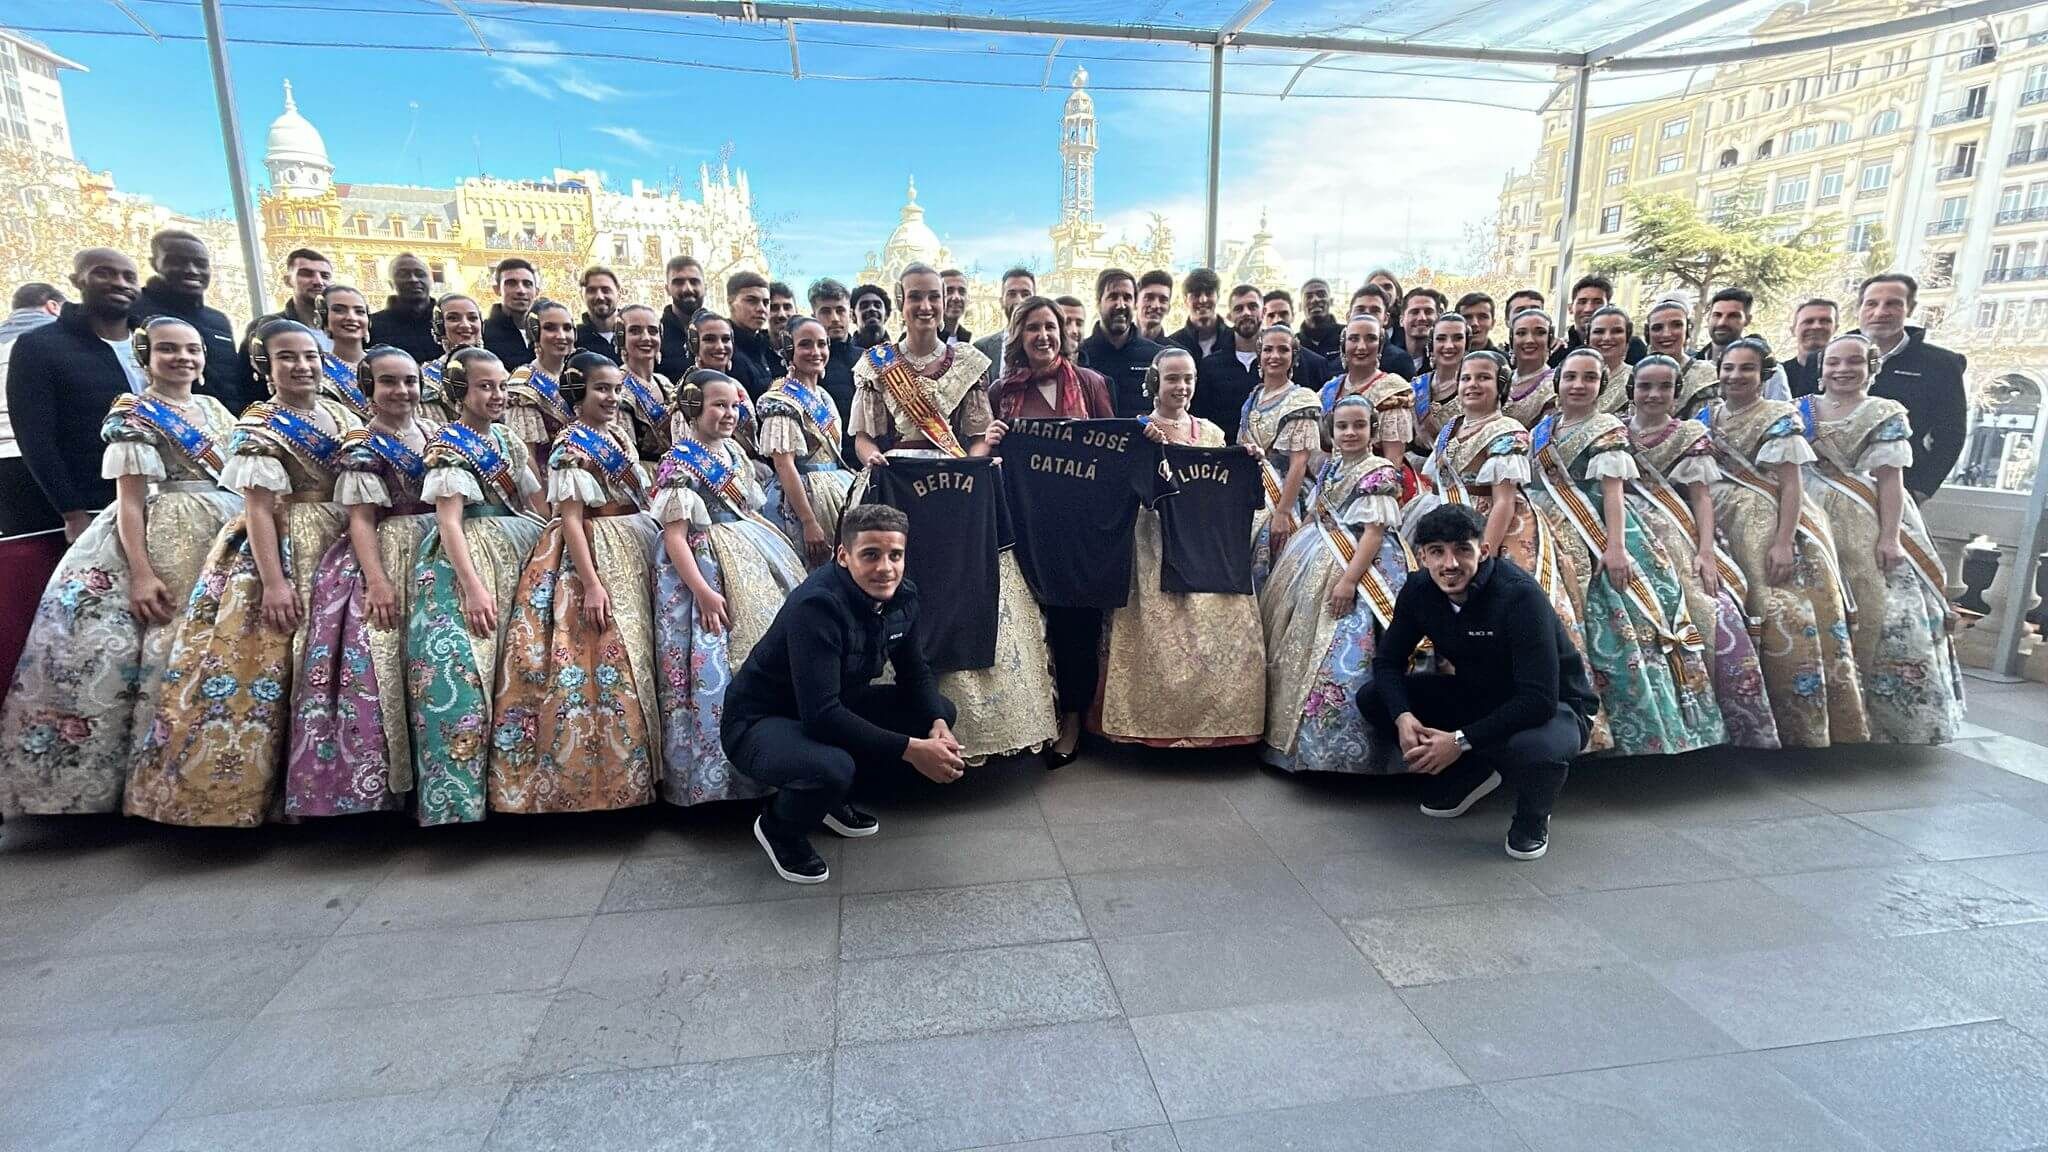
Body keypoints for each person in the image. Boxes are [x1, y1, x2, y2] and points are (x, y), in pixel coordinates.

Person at [125, 319, 363, 827]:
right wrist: (274, 582)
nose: (301, 366)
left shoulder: (340, 415)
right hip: (290, 540)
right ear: (264, 366)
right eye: (287, 358)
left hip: (344, 536)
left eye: (310, 357)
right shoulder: (260, 426)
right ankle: (274, 789)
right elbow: (257, 508)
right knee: (283, 657)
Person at [0, 317, 241, 816]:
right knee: (172, 644)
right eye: (168, 349)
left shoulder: (213, 407)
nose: (183, 358)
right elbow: (130, 502)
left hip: (223, 525)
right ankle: (161, 783)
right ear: (144, 356)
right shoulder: (134, 415)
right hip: (167, 530)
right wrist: (142, 571)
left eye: (192, 349)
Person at [849, 263, 1057, 764]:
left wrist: (979, 459)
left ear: (945, 302)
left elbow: (977, 437)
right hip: (896, 488)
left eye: (934, 298)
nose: (925, 307)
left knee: (972, 582)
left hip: (958, 495)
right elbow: (861, 436)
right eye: (915, 297)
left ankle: (983, 731)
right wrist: (869, 458)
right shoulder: (875, 366)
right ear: (901, 301)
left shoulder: (967, 362)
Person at [722, 503, 963, 884]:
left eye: (895, 555)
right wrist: (911, 750)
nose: (886, 568)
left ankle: (828, 801)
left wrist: (935, 724)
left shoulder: (903, 596)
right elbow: (821, 716)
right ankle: (779, 827)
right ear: (843, 556)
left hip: (830, 703)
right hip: (760, 720)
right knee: (833, 767)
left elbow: (915, 671)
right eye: (871, 555)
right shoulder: (817, 605)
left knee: (938, 712)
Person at [1364, 503, 1600, 861]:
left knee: (1539, 747)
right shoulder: (1418, 590)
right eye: (1437, 552)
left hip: (1555, 708)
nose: (1450, 564)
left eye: (1462, 549)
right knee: (1374, 698)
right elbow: (1387, 662)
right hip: (1479, 695)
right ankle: (1475, 769)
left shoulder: (1520, 595)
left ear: (1484, 550)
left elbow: (1539, 699)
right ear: (1422, 556)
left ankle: (1532, 817)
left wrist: (1459, 740)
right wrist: (1403, 717)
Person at [1528, 349, 1723, 756]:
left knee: (1615, 622)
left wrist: (1615, 548)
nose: (1578, 385)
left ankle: (1634, 732)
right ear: (1557, 383)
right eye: (1571, 377)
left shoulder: (1607, 430)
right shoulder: (1542, 430)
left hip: (1597, 528)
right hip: (1549, 528)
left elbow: (1614, 492)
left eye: (1589, 378)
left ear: (1604, 385)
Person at [1411, 349, 1607, 752]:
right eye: (1466, 378)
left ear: (1500, 385)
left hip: (1497, 532)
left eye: (1483, 378)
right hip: (1449, 524)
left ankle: (1524, 719)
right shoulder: (1450, 429)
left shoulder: (1509, 432)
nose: (1472, 385)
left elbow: (1503, 499)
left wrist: (1484, 551)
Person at [491, 352, 660, 814]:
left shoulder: (619, 435)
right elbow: (570, 518)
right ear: (577, 393)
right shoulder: (570, 446)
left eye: (615, 388)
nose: (610, 397)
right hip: (592, 552)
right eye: (600, 389)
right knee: (603, 660)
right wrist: (591, 584)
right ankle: (600, 782)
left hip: (632, 541)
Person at [287, 346, 439, 816]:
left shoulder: (433, 432)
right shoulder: (361, 445)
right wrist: (376, 582)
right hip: (389, 550)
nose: (402, 391)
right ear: (368, 387)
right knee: (385, 663)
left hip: (434, 547)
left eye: (410, 380)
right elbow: (360, 520)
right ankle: (385, 785)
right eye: (390, 381)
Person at [1798, 333, 1964, 743]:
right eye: (1833, 362)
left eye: (1853, 361)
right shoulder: (1798, 409)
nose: (1842, 369)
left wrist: (1890, 537)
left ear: (1872, 368)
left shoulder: (1884, 413)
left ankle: (1873, 719)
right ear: (1821, 369)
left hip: (1863, 516)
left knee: (1877, 604)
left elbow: (1891, 481)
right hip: (1806, 511)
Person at [653, 370, 808, 807]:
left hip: (750, 546)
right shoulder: (680, 461)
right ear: (694, 408)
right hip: (705, 568)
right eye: (717, 405)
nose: (727, 413)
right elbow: (674, 536)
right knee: (712, 660)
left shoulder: (736, 452)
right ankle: (719, 777)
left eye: (733, 405)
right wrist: (702, 591)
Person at [1704, 336, 1867, 748]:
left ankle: (1795, 725)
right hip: (1719, 517)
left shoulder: (1780, 416)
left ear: (1764, 374)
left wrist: (1782, 541)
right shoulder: (1706, 417)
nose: (1735, 376)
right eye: (1728, 368)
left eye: (1746, 369)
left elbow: (1791, 486)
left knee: (1777, 614)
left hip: (1766, 521)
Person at [1098, 346, 1265, 748]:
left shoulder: (1210, 432)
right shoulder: (1137, 429)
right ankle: (1153, 727)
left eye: (1188, 378)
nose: (1182, 386)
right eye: (1173, 378)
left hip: (1205, 541)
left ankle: (1216, 727)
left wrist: (1248, 459)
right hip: (1152, 539)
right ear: (1155, 381)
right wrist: (1146, 450)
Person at [406, 347, 545, 825]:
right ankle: (460, 801)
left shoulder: (509, 441)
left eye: (501, 386)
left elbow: (533, 500)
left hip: (517, 545)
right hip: (468, 558)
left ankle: (514, 788)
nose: (497, 395)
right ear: (459, 392)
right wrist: (472, 587)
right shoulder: (449, 445)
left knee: (522, 672)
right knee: (466, 674)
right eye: (485, 386)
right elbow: (448, 522)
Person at [1622, 355, 1779, 749]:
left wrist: (1705, 551)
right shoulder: (1617, 432)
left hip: (1672, 530)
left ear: (1677, 392)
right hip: (1623, 530)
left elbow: (1702, 498)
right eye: (1645, 386)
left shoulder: (1689, 434)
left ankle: (1708, 716)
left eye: (1664, 387)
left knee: (1704, 607)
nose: (1654, 394)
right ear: (1632, 391)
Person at [988, 294, 1116, 762]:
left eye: (1051, 327)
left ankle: (1072, 722)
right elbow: (990, 457)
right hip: (1026, 521)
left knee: (1074, 624)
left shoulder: (1092, 383)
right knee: (1029, 623)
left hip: (1079, 526)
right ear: (1019, 337)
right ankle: (1033, 716)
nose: (1043, 336)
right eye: (1033, 328)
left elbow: (1113, 445)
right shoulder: (1003, 391)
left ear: (1064, 333)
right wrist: (995, 439)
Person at [1259, 395, 1407, 772]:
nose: (1350, 432)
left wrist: (1348, 581)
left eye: (1359, 425)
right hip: (1315, 554)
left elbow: (1374, 534)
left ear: (1373, 430)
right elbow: (1315, 514)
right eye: (1342, 426)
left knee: (1345, 646)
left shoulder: (1381, 471)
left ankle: (1346, 754)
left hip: (1362, 566)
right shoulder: (1332, 467)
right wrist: (1293, 553)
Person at [8, 248, 144, 542]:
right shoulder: (38, 346)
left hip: (163, 500)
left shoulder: (155, 342)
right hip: (97, 505)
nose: (120, 282)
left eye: (129, 277)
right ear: (77, 280)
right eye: (104, 273)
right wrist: (72, 512)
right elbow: (36, 439)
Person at [1855, 273, 1967, 502]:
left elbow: (1950, 434)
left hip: (1899, 490)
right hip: (1829, 485)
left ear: (1910, 308)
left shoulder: (1941, 364)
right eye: (1872, 303)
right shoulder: (1828, 357)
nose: (1880, 312)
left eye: (1893, 303)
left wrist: (1921, 489)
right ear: (1860, 308)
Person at [758, 316, 855, 565]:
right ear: (789, 349)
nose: (816, 352)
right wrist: (809, 521)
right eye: (806, 345)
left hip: (836, 488)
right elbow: (783, 464)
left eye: (822, 344)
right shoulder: (781, 400)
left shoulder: (822, 395)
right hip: (801, 499)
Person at [1241, 325, 1323, 587]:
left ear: (1294, 356)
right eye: (1268, 349)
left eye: (1283, 350)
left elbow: (1299, 462)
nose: (1274, 356)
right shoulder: (1254, 396)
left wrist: (1282, 513)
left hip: (1283, 495)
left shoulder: (1300, 400)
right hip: (1250, 493)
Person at [130, 230, 248, 413]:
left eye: (200, 264)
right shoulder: (133, 311)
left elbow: (232, 383)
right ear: (155, 264)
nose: (192, 270)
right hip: (163, 423)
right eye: (177, 262)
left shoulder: (218, 320)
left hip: (222, 427)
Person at [0, 282, 64, 536]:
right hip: (44, 459)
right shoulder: (54, 340)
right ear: (52, 306)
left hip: (3, 462)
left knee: (21, 547)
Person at [1321, 314, 1413, 478]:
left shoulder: (1392, 390)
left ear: (1380, 346)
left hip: (1375, 484)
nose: (1361, 347)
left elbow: (1394, 459)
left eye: (1370, 339)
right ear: (1344, 345)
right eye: (1354, 339)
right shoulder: (1330, 389)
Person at [1078, 267, 1166, 417]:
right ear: (1098, 302)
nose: (1121, 305)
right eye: (1113, 297)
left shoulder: (1157, 357)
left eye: (1127, 297)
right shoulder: (1081, 356)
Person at [241, 249, 335, 380]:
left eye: (325, 276)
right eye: (306, 274)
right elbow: (244, 380)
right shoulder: (265, 327)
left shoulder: (348, 328)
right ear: (287, 280)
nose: (318, 281)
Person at [505, 298, 578, 463]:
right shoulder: (523, 384)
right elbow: (525, 454)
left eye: (567, 328)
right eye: (550, 328)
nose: (561, 336)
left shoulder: (576, 373)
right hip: (547, 478)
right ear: (534, 332)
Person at [1194, 283, 1264, 438]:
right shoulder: (1210, 366)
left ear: (1263, 311)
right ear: (1229, 316)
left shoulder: (1277, 362)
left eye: (1252, 307)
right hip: (1224, 455)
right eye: (1239, 309)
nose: (1246, 313)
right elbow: (1201, 419)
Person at [1699, 286, 1789, 401]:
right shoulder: (1693, 366)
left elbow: (1783, 413)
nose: (1722, 322)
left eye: (1733, 316)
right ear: (1708, 317)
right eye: (1717, 315)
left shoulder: (1769, 370)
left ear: (1747, 320)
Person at [616, 303, 677, 463]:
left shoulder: (665, 383)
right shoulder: (616, 386)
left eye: (652, 331)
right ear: (621, 336)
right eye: (635, 331)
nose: (646, 338)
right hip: (639, 476)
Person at [1549, 274, 1649, 367]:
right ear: (1570, 308)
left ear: (1609, 306)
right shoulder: (1558, 349)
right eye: (1582, 302)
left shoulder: (1634, 347)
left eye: (1597, 302)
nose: (1589, 309)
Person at [1644, 299, 1720, 418]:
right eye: (1657, 328)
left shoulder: (1706, 375)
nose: (1666, 334)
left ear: (1688, 329)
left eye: (1676, 325)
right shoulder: (1640, 372)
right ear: (1648, 333)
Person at [810, 278, 862, 442]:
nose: (834, 318)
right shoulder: (807, 363)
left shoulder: (867, 359)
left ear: (851, 315)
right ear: (813, 317)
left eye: (840, 310)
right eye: (825, 311)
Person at [419, 293, 484, 422]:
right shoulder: (428, 381)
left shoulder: (498, 370)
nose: (465, 325)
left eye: (472, 318)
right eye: (453, 318)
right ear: (439, 326)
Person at [316, 285, 376, 422]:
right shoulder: (318, 369)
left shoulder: (389, 361)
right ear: (323, 317)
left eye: (359, 311)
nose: (351, 317)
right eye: (339, 310)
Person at [368, 253, 440, 364]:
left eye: (420, 274)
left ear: (431, 281)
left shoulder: (447, 323)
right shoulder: (372, 325)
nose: (413, 279)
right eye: (404, 275)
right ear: (391, 283)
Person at [1412, 312, 1468, 455]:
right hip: (1417, 470)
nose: (1449, 345)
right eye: (1441, 338)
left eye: (1458, 338)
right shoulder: (1415, 386)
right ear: (1431, 345)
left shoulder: (1475, 389)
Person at [973, 266, 1036, 387]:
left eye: (1026, 294)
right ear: (1002, 301)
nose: (1019, 301)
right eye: (1012, 294)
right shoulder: (981, 349)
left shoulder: (1046, 347)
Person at [726, 271, 785, 399]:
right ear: (731, 302)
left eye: (766, 302)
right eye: (751, 301)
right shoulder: (722, 347)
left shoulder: (764, 347)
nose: (761, 309)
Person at [1346, 284, 1418, 378]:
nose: (1367, 314)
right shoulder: (1333, 361)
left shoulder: (1400, 361)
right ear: (1348, 317)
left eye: (1375, 311)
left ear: (1385, 318)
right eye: (1360, 310)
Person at [1502, 307, 1558, 428]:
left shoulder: (1556, 384)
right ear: (1511, 339)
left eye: (1540, 333)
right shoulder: (1501, 378)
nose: (1529, 340)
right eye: (1521, 333)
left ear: (1550, 338)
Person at [482, 258, 539, 371]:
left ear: (536, 291)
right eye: (511, 283)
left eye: (527, 284)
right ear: (497, 289)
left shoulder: (548, 333)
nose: (521, 290)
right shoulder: (483, 334)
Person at [658, 255, 707, 379]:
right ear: (667, 289)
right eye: (678, 282)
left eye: (694, 281)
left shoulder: (723, 332)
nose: (687, 289)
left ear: (705, 287)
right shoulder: (656, 336)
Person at [1584, 305, 1636, 414]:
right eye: (1599, 331)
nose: (1607, 338)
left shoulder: (1637, 379)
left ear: (1627, 337)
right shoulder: (1569, 376)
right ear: (1588, 338)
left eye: (1617, 331)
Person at [1784, 298, 1839, 398]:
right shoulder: (1778, 375)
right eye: (1808, 321)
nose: (1817, 326)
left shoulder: (1846, 375)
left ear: (1836, 328)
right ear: (1793, 330)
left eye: (1825, 321)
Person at [1169, 267, 1225, 359]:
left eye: (1209, 293)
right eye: (1196, 294)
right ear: (1185, 300)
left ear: (1218, 297)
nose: (1203, 300)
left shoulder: (1234, 341)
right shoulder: (1172, 345)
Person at [575, 265, 623, 359]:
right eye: (591, 291)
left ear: (619, 293)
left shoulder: (636, 336)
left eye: (606, 290)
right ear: (581, 295)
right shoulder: (574, 340)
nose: (599, 297)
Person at [1397, 288, 1446, 363]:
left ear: (1438, 318)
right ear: (1401, 320)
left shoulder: (1446, 359)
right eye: (1414, 312)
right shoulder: (1386, 358)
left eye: (1428, 312)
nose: (1422, 318)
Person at [1297, 278, 1341, 358]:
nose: (1315, 300)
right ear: (1300, 306)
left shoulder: (1347, 336)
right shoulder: (1293, 344)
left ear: (1331, 301)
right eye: (1309, 297)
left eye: (1321, 295)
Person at [850, 282, 892, 350]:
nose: (872, 309)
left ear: (886, 314)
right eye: (864, 306)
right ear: (853, 316)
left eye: (877, 306)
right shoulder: (840, 357)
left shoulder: (900, 354)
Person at [1136, 270, 1174, 343]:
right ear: (1135, 301)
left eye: (1163, 300)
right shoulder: (1115, 346)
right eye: (1148, 298)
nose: (1155, 306)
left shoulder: (1176, 353)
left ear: (1169, 307)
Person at [939, 269, 972, 344]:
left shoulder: (970, 343)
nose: (956, 297)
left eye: (962, 291)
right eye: (949, 291)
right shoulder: (918, 340)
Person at [770, 280, 800, 353]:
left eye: (787, 307)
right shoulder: (752, 353)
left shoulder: (811, 352)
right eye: (774, 308)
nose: (782, 315)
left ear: (796, 312)